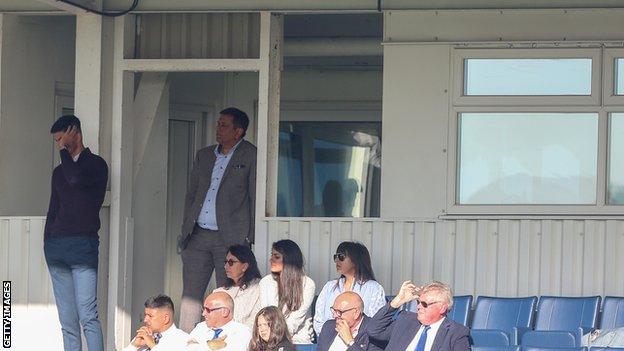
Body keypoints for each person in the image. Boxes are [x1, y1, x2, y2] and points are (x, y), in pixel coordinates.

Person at [179, 107, 257, 331]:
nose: (218, 129)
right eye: (218, 124)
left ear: (238, 131)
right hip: (197, 235)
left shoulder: (250, 154)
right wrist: (186, 226)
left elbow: (254, 195)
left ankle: (226, 341)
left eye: (224, 125)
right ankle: (189, 342)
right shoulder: (204, 155)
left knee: (229, 294)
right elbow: (191, 194)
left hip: (230, 238)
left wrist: (248, 236)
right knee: (191, 297)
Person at [44, 115, 108, 351]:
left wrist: (64, 152)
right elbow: (53, 209)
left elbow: (74, 179)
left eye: (61, 139)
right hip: (57, 249)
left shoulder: (96, 165)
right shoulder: (57, 172)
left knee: (88, 316)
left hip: (83, 247)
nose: (59, 144)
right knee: (67, 320)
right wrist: (47, 243)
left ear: (75, 133)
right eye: (57, 141)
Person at [367, 281, 470, 351]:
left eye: (424, 304)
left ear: (442, 308)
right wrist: (397, 301)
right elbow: (374, 330)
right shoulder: (405, 320)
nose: (419, 306)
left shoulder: (456, 333)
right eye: (418, 302)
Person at [313, 242, 385, 335]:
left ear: (356, 260)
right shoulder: (329, 287)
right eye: (336, 257)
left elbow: (375, 323)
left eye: (341, 256)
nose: (337, 260)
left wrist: (350, 337)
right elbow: (318, 322)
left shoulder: (374, 288)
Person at [259, 239, 316, 344]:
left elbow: (295, 320)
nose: (271, 260)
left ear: (289, 259)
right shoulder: (265, 282)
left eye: (276, 257)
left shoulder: (307, 283)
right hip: (269, 340)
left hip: (298, 341)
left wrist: (276, 339)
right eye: (272, 256)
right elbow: (265, 314)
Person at [316, 292, 386, 351]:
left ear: (356, 313)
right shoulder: (329, 326)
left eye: (339, 312)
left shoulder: (374, 330)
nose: (334, 316)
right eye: (334, 310)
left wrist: (350, 341)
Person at [213, 244, 263, 328]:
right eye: (226, 262)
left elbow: (255, 321)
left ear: (244, 266)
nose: (226, 266)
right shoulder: (219, 292)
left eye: (231, 262)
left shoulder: (259, 288)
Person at [187, 291, 252, 351]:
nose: (203, 314)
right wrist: (209, 345)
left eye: (208, 310)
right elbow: (185, 348)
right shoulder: (201, 327)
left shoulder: (243, 332)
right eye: (204, 309)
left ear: (225, 312)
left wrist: (199, 346)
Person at [123, 295, 190, 351]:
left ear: (166, 319)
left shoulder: (183, 341)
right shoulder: (144, 337)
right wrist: (134, 346)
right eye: (145, 315)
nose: (145, 320)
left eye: (150, 316)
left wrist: (152, 345)